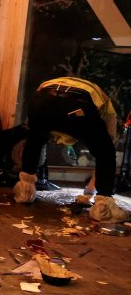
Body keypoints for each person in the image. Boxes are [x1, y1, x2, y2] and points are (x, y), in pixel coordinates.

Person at [13, 76, 128, 222]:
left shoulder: (59, 81)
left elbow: (46, 105)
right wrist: (90, 191)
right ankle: (104, 208)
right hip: (77, 106)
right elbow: (104, 154)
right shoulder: (108, 109)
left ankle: (24, 190)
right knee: (105, 152)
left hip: (41, 101)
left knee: (35, 140)